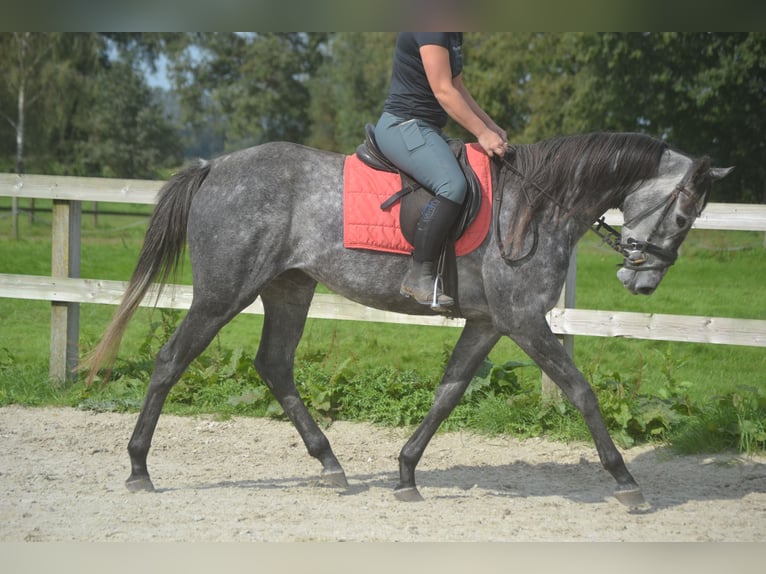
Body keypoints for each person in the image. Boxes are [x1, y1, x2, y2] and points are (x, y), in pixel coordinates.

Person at [374, 32, 508, 308]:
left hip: (427, 129)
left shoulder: (453, 31)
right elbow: (443, 90)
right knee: (452, 185)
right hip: (403, 125)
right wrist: (481, 133)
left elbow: (457, 86)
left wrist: (489, 125)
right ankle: (418, 274)